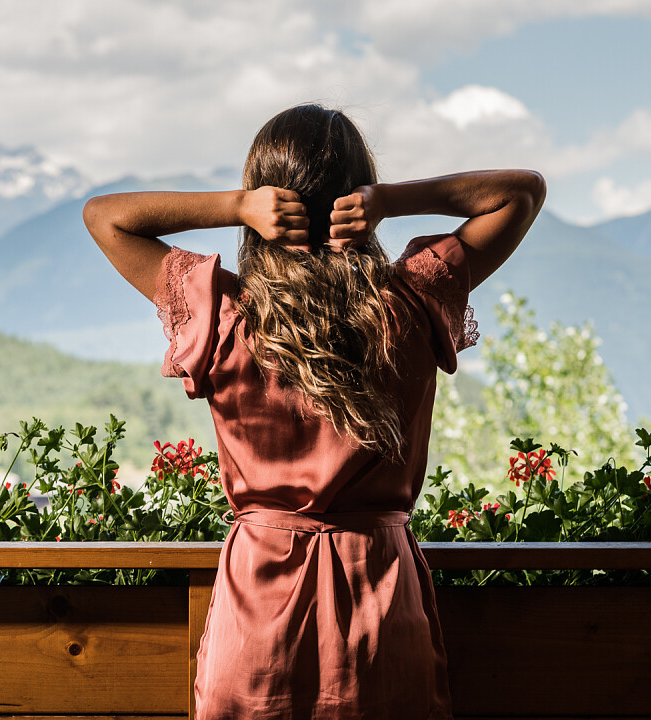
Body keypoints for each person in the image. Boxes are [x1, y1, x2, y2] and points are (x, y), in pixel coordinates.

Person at [82, 103, 545, 720]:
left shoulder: (223, 315)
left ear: (267, 198)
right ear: (355, 193)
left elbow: (105, 217)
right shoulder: (409, 303)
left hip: (258, 605)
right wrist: (387, 200)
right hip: (379, 595)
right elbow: (521, 193)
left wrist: (237, 206)